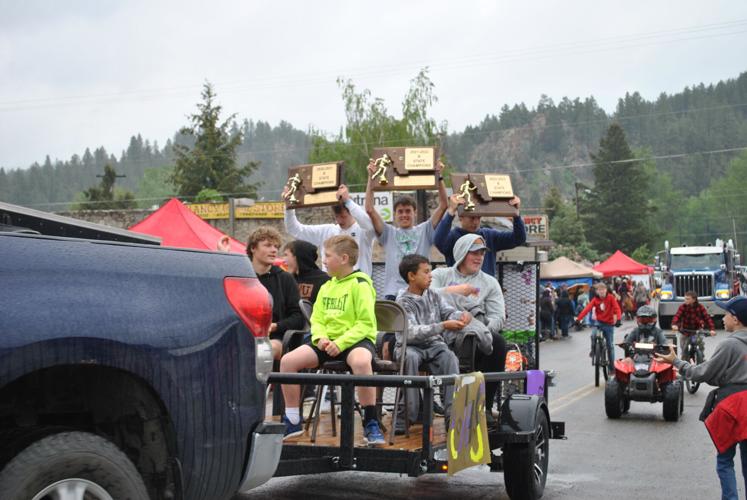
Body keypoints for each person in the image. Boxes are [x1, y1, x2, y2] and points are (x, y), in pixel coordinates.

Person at [278, 235, 385, 445]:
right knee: (287, 361)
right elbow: (316, 319)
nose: (323, 260)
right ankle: (292, 420)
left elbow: (365, 323)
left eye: (327, 255)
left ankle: (371, 421)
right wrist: (320, 338)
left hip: (355, 341)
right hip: (327, 342)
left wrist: (341, 343)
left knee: (362, 362)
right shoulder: (327, 286)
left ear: (344, 258)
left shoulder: (361, 284)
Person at [655, 296, 747, 500]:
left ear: (736, 319)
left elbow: (702, 373)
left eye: (726, 314)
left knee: (725, 460)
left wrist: (676, 362)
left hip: (734, 406)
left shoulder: (729, 344)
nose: (722, 318)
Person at [394, 254, 476, 434]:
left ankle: (453, 418)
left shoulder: (433, 295)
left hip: (434, 346)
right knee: (410, 358)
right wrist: (442, 326)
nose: (430, 276)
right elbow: (411, 333)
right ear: (411, 276)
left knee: (450, 358)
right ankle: (406, 415)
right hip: (409, 346)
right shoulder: (403, 301)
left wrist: (461, 316)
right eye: (426, 272)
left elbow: (448, 312)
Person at [431, 233, 507, 422]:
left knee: (498, 343)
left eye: (482, 253)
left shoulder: (490, 283)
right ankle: (443, 405)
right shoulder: (440, 275)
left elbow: (498, 316)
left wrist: (478, 327)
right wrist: (455, 291)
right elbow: (426, 296)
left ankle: (486, 406)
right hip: (443, 331)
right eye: (473, 252)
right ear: (461, 253)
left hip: (475, 333)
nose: (479, 257)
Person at [365, 160, 448, 300]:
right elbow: (369, 209)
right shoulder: (388, 233)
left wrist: (439, 176)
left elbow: (444, 205)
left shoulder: (425, 230)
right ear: (395, 214)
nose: (404, 215)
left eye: (408, 211)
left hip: (419, 292)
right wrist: (371, 177)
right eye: (400, 211)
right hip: (393, 293)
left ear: (415, 213)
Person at [283, 184, 376, 276]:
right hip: (331, 285)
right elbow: (295, 229)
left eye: (343, 216)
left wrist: (348, 201)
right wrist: (289, 208)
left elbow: (369, 223)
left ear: (352, 212)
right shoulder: (327, 231)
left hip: (358, 285)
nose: (339, 220)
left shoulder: (364, 231)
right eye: (336, 216)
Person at [246, 226, 305, 360]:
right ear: (253, 248)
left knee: (264, 351)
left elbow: (298, 317)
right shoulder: (241, 276)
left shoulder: (285, 279)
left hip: (275, 339)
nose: (274, 250)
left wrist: (275, 326)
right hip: (244, 336)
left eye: (276, 246)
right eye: (267, 245)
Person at [433, 192, 525, 276]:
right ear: (461, 217)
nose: (476, 222)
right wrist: (451, 211)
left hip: (486, 290)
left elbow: (518, 239)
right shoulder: (453, 237)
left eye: (478, 218)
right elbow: (439, 241)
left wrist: (516, 214)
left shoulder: (489, 235)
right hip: (460, 290)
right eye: (472, 218)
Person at [577, 282, 621, 368]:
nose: (601, 292)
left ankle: (612, 368)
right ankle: (594, 350)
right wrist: (579, 319)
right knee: (593, 335)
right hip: (599, 322)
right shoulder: (595, 299)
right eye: (599, 290)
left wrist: (618, 319)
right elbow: (587, 309)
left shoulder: (611, 298)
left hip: (609, 323)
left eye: (603, 290)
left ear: (606, 290)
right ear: (597, 291)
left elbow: (617, 308)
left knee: (610, 346)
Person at [283, 239, 330, 305]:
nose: (283, 260)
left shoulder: (325, 281)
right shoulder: (288, 280)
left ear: (298, 257)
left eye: (286, 255)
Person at [672, 290, 716, 359]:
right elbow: (677, 316)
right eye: (685, 298)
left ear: (694, 300)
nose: (685, 300)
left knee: (700, 348)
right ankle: (684, 366)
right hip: (685, 332)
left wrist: (712, 329)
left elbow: (707, 318)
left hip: (696, 332)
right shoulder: (682, 307)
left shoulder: (700, 307)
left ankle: (700, 360)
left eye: (688, 299)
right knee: (684, 352)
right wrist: (674, 324)